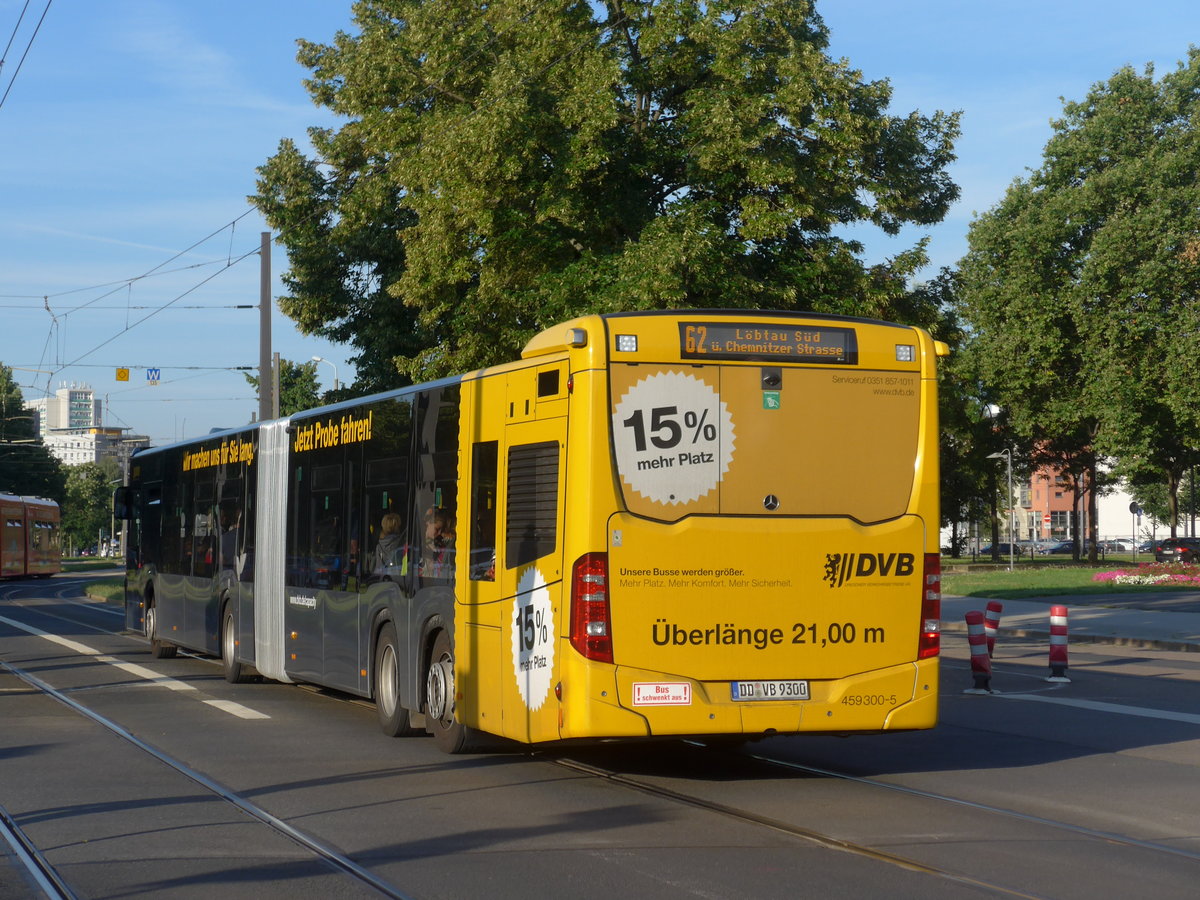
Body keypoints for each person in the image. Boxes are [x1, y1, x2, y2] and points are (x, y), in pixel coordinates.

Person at [373, 512, 405, 576]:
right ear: (397, 526)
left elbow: (378, 568)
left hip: (385, 579)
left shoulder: (379, 546)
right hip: (401, 578)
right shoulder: (402, 544)